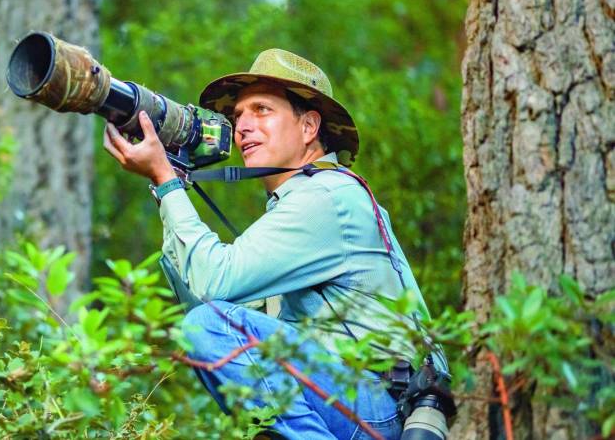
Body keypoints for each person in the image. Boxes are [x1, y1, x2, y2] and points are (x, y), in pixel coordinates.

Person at [102, 49, 440, 440]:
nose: (242, 126)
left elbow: (214, 295)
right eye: (238, 116)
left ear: (309, 126)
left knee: (211, 326)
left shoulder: (325, 197)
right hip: (358, 401)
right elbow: (203, 301)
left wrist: (166, 179)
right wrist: (168, 186)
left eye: (261, 110)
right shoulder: (306, 199)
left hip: (377, 403)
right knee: (210, 325)